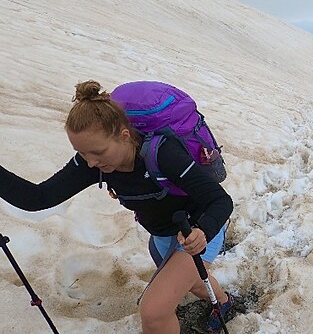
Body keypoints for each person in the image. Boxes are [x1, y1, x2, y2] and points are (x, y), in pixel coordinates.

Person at [0, 80, 234, 333]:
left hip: (197, 231)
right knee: (190, 282)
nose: (90, 162)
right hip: (162, 234)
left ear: (124, 135)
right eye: (82, 153)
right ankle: (224, 301)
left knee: (154, 312)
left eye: (97, 152)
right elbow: (38, 198)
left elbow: (220, 200)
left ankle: (219, 301)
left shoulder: (163, 154)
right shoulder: (94, 161)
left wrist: (204, 231)